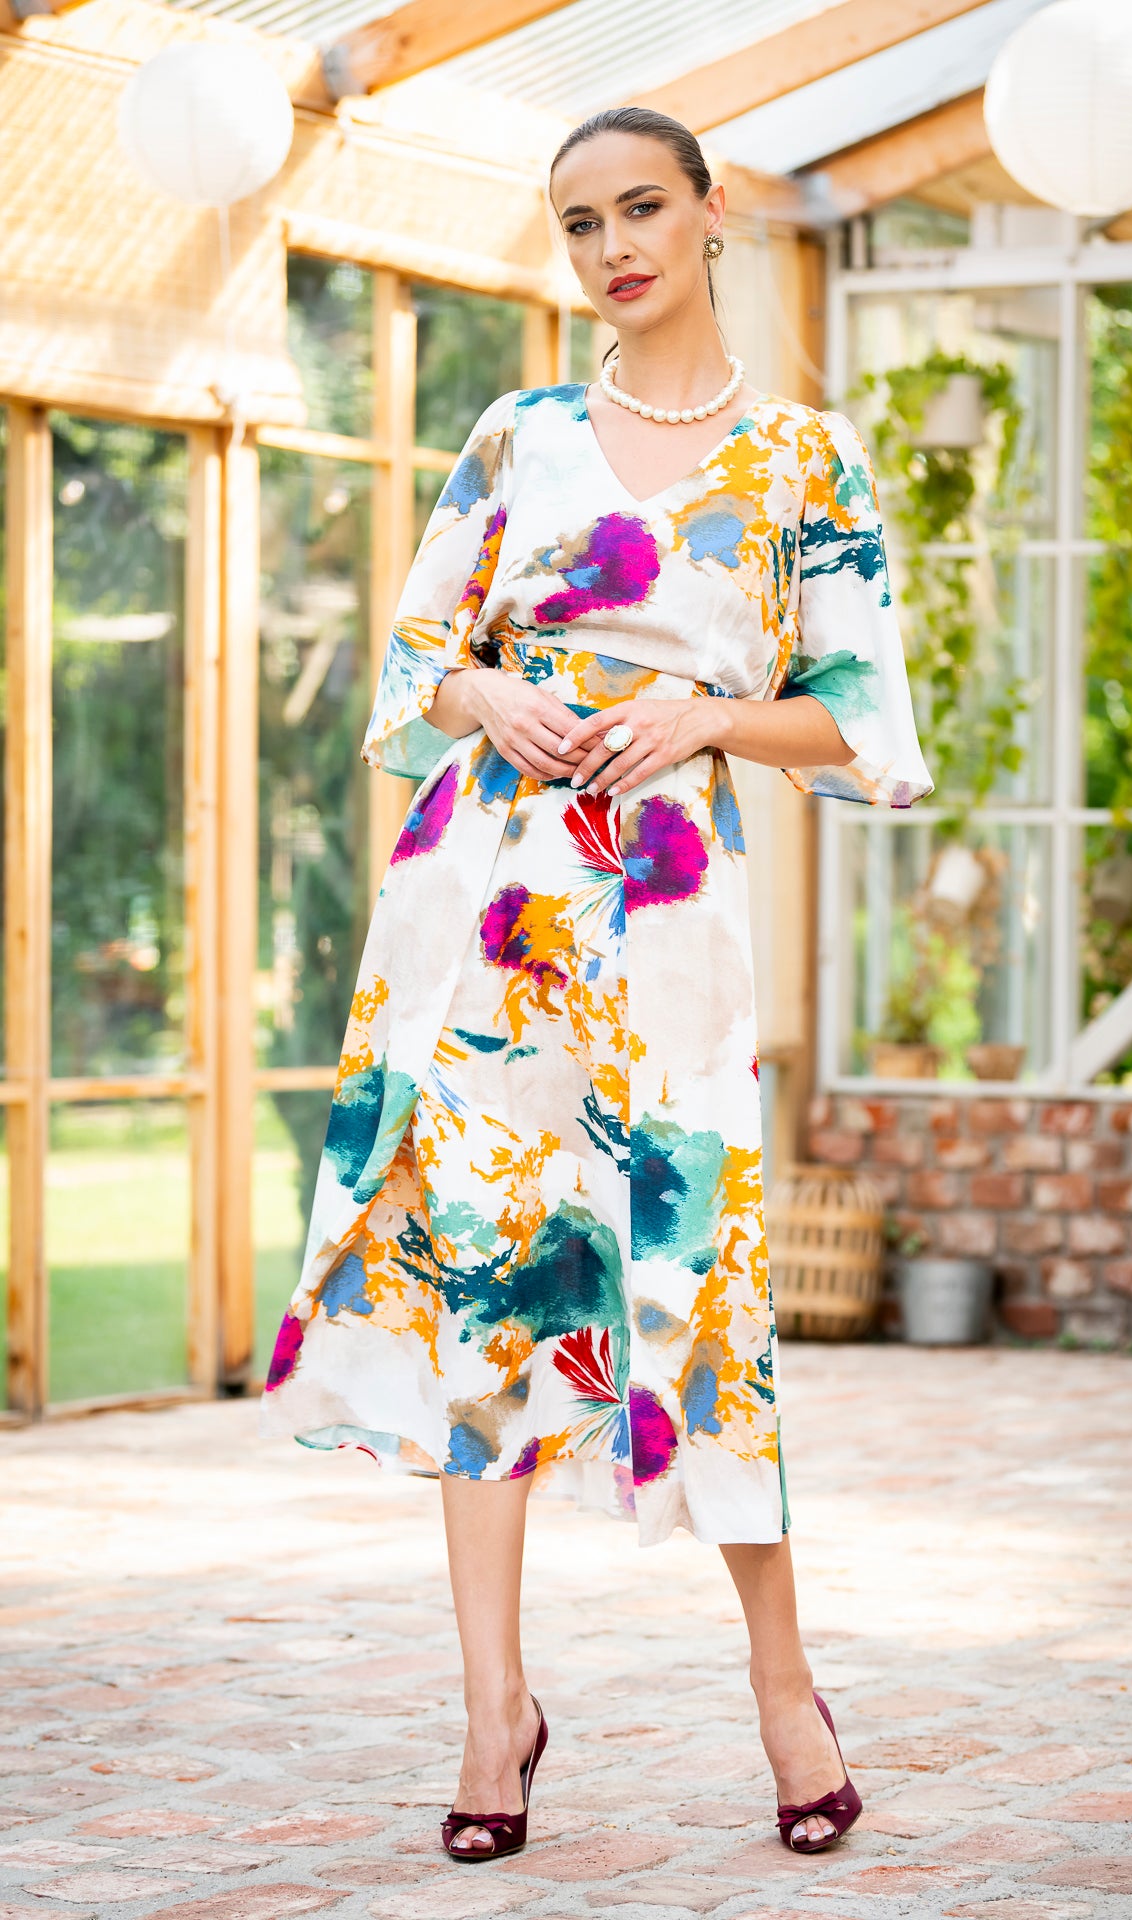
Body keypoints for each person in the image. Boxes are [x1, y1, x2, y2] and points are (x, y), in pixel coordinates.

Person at [260, 104, 933, 1862]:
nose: (614, 246)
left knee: (698, 1288)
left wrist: (707, 714)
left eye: (641, 208)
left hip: (671, 908)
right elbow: (416, 663)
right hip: (482, 908)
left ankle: (786, 1689)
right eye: (579, 223)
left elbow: (863, 722)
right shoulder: (519, 433)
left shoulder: (802, 460)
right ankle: (494, 1709)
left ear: (711, 215)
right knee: (486, 1283)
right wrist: (483, 692)